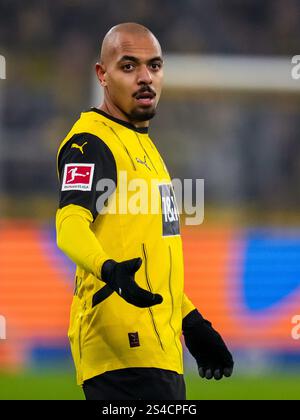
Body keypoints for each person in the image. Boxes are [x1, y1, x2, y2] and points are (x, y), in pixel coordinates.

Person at [56, 22, 234, 401]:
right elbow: (69, 225)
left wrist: (191, 321)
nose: (145, 78)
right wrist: (109, 270)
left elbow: (150, 258)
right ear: (102, 75)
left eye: (154, 66)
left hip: (158, 349)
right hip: (121, 350)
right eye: (129, 66)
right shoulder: (92, 142)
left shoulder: (147, 150)